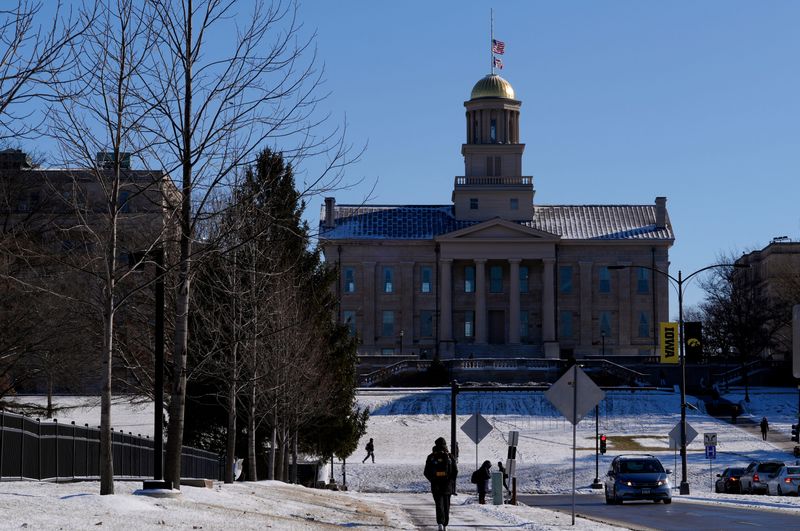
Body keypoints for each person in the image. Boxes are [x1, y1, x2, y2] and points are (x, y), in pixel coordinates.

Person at [424, 437, 458, 531]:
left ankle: (440, 523)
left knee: (439, 505)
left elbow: (426, 472)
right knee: (446, 505)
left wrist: (433, 480)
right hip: (447, 485)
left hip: (436, 486)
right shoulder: (450, 456)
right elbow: (455, 471)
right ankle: (445, 524)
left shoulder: (431, 456)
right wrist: (451, 481)